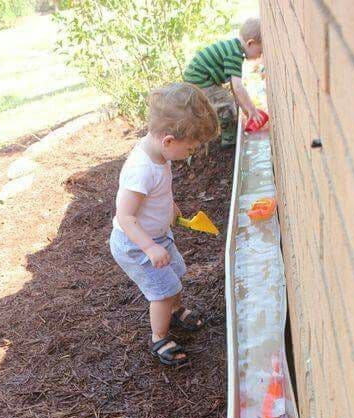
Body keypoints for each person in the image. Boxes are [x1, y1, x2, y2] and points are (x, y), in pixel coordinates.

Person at [109, 83, 218, 367]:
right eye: (190, 149)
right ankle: (159, 336)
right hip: (136, 244)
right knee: (162, 290)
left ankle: (176, 308)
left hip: (157, 235)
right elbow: (125, 217)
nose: (191, 154)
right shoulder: (141, 170)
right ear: (169, 141)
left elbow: (158, 192)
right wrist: (149, 248)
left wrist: (169, 206)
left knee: (176, 272)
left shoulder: (160, 153)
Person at [184, 18, 264, 147]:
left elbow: (234, 86)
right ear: (250, 43)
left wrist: (244, 108)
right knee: (226, 105)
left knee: (224, 101)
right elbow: (238, 87)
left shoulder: (233, 47)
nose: (260, 56)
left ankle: (217, 125)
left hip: (197, 76)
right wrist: (252, 110)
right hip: (199, 79)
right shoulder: (235, 54)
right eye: (260, 51)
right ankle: (229, 140)